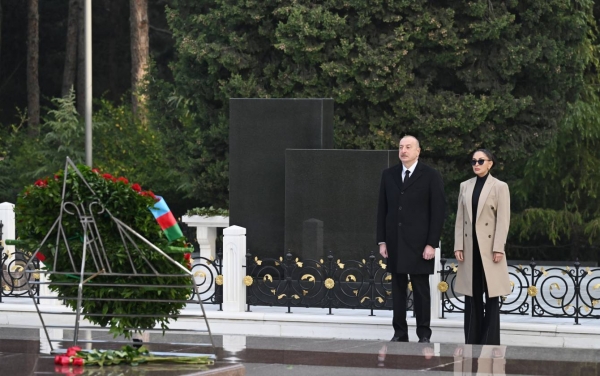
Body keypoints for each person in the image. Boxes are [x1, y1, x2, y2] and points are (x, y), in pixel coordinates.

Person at [376, 135, 446, 343]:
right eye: (400, 147)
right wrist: (382, 241)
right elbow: (383, 209)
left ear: (418, 151)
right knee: (397, 289)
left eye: (408, 147)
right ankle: (400, 332)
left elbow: (438, 211)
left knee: (421, 289)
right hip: (395, 242)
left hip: (420, 244)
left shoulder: (431, 176)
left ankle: (424, 334)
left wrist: (431, 243)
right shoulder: (388, 175)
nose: (403, 150)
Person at [453, 149, 512, 345]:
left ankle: (490, 339)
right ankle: (471, 338)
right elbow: (460, 219)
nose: (476, 164)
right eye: (473, 161)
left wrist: (498, 247)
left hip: (489, 249)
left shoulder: (500, 187)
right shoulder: (465, 186)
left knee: (492, 295)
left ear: (490, 163)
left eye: (480, 161)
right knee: (471, 294)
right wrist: (458, 245)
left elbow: (503, 220)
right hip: (469, 248)